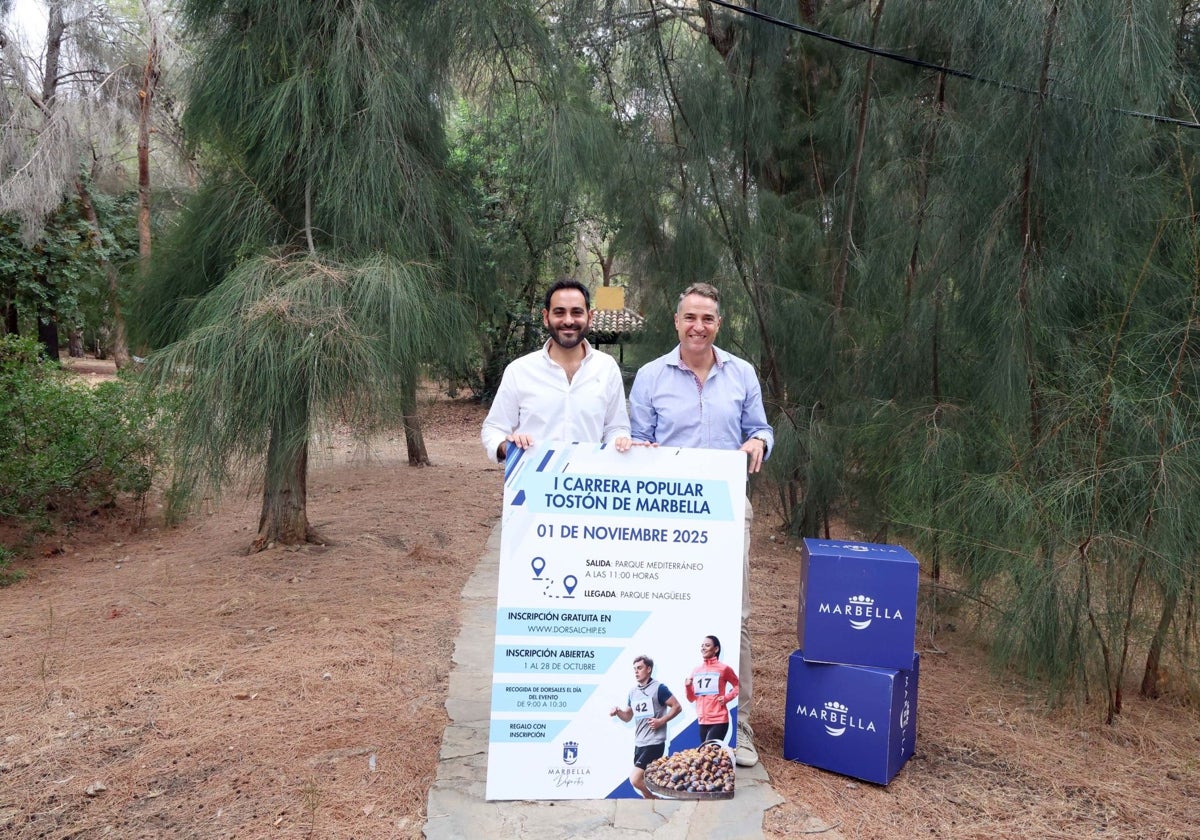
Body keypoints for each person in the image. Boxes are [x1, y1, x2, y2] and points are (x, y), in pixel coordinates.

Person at [628, 281, 773, 767]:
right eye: (691, 317)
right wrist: (641, 452)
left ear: (719, 323)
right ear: (676, 321)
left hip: (729, 512)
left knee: (737, 618)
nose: (699, 326)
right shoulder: (650, 376)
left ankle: (740, 730)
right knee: (663, 609)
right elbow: (635, 440)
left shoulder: (742, 373)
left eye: (708, 318)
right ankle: (672, 724)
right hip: (666, 517)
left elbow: (761, 429)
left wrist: (758, 444)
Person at [481, 278, 632, 462]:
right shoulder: (519, 371)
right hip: (531, 483)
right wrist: (506, 446)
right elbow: (494, 428)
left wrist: (619, 443)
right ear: (546, 317)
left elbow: (616, 427)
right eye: (559, 312)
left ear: (589, 317)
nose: (568, 321)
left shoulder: (607, 368)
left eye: (576, 312)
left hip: (588, 484)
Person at [609, 654, 682, 800]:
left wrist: (661, 721)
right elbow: (628, 717)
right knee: (644, 780)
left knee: (635, 779)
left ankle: (657, 800)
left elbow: (677, 706)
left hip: (654, 742)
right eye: (634, 669)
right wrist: (618, 712)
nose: (636, 672)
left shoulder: (659, 688)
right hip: (639, 743)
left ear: (649, 669)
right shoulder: (633, 692)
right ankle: (652, 803)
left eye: (640, 668)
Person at [684, 635, 739, 744]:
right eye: (702, 646)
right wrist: (688, 686)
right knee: (709, 757)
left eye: (707, 645)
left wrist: (727, 698)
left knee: (708, 750)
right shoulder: (696, 670)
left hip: (719, 720)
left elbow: (738, 686)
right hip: (702, 721)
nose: (703, 648)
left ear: (716, 649)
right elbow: (691, 699)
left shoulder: (724, 669)